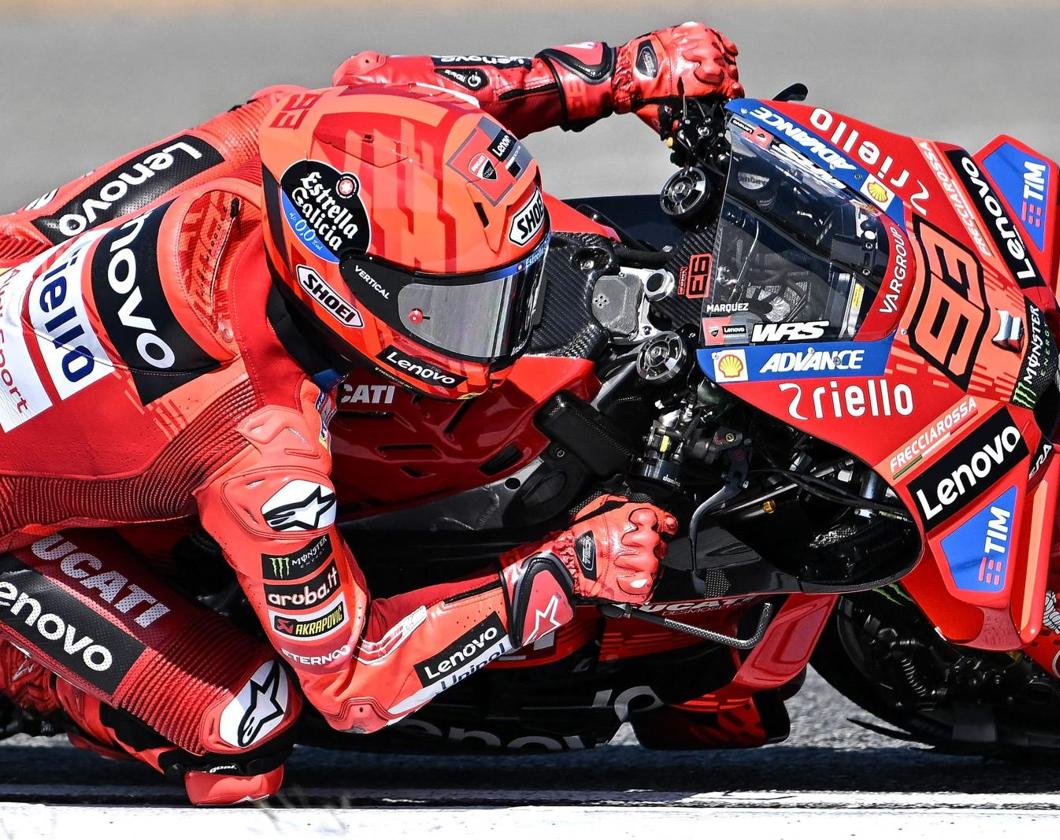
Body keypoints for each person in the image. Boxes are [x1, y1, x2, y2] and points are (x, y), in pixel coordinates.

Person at [0, 24, 741, 804]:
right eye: (455, 311)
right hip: (19, 527)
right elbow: (354, 685)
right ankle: (25, 671)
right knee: (245, 728)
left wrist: (628, 72)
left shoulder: (284, 132)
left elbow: (400, 92)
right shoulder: (265, 458)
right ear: (340, 287)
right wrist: (559, 572)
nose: (506, 331)